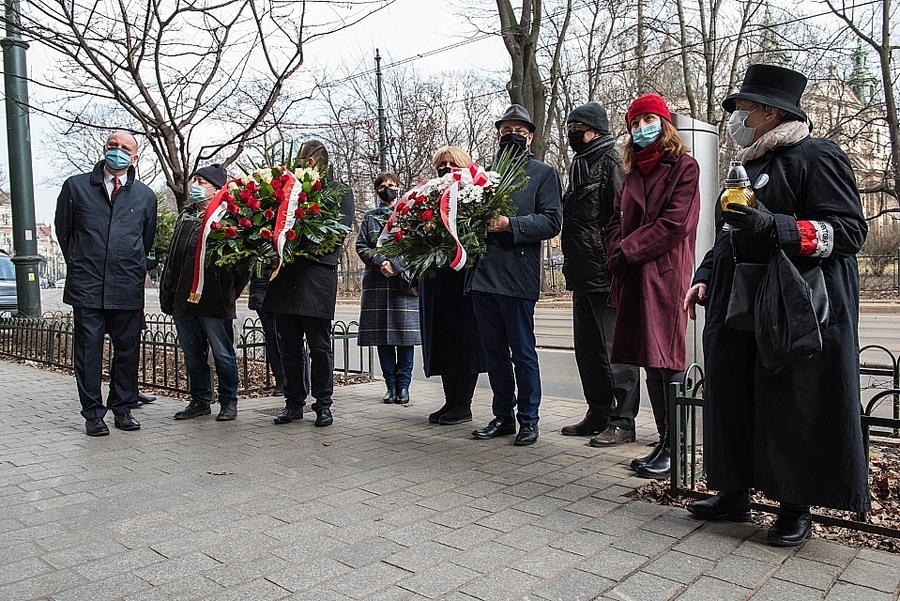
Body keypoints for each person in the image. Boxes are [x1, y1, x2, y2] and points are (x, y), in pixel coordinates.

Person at [683, 64, 870, 546]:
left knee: (789, 400)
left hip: (792, 303)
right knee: (734, 394)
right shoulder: (748, 165)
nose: (737, 117)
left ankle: (794, 505)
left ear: (769, 112)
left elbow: (847, 233)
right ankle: (734, 491)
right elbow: (730, 232)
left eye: (744, 109)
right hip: (740, 299)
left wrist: (776, 227)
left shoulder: (817, 156)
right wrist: (704, 276)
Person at [604, 94, 700, 478]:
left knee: (667, 360)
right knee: (647, 359)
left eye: (649, 119)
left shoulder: (684, 168)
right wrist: (617, 251)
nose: (642, 127)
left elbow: (676, 224)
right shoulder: (630, 176)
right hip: (630, 275)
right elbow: (614, 221)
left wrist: (627, 251)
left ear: (665, 123)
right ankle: (664, 440)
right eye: (635, 122)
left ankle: (676, 447)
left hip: (663, 275)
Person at [468, 104, 562, 446]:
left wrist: (511, 225)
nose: (512, 135)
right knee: (494, 353)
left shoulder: (543, 174)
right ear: (497, 133)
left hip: (518, 275)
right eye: (507, 129)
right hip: (483, 276)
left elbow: (552, 221)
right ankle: (503, 416)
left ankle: (529, 420)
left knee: (522, 351)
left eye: (519, 131)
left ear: (531, 136)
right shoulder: (482, 174)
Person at [55, 131, 157, 436]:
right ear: (104, 148)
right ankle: (93, 414)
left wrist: (133, 266)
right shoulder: (76, 187)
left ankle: (122, 408)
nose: (118, 151)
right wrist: (81, 262)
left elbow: (146, 238)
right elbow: (65, 232)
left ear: (135, 157)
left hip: (126, 284)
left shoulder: (145, 196)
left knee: (127, 351)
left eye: (126, 148)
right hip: (87, 285)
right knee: (88, 352)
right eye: (114, 145)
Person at [559, 102, 641, 446]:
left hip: (606, 273)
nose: (571, 132)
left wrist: (614, 260)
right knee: (588, 351)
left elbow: (621, 217)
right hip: (581, 272)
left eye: (576, 126)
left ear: (594, 128)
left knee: (616, 351)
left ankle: (624, 421)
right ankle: (599, 413)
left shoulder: (611, 162)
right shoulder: (580, 163)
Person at [264, 140, 354, 427]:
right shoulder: (288, 188)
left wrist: (301, 244)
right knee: (287, 345)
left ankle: (323, 404)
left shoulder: (339, 191)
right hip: (285, 274)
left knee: (319, 346)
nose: (305, 165)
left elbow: (338, 232)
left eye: (310, 160)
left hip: (316, 276)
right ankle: (293, 403)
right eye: (302, 160)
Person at [160, 164, 250, 421]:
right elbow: (173, 259)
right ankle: (200, 399)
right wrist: (168, 292)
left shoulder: (228, 218)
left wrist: (228, 292)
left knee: (222, 352)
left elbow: (242, 266)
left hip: (214, 299)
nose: (195, 186)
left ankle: (228, 401)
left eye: (201, 181)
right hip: (182, 298)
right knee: (192, 352)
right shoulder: (186, 216)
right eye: (194, 180)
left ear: (216, 189)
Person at [419, 146, 487, 425]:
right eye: (441, 164)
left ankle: (463, 404)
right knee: (444, 340)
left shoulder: (475, 194)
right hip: (437, 278)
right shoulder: (428, 194)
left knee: (464, 341)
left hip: (463, 276)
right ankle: (450, 401)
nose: (446, 168)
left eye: (452, 163)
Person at [356, 172, 421, 405]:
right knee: (383, 338)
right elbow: (362, 245)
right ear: (377, 190)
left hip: (403, 282)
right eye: (383, 186)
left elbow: (416, 245)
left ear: (398, 187)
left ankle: (403, 387)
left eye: (392, 185)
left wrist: (395, 264)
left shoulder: (409, 213)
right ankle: (390, 386)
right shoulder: (370, 217)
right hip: (377, 282)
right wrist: (380, 262)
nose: (388, 189)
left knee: (405, 339)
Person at [248, 274, 285, 396]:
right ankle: (280, 379)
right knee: (272, 337)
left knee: (289, 338)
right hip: (262, 290)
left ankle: (300, 379)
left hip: (284, 289)